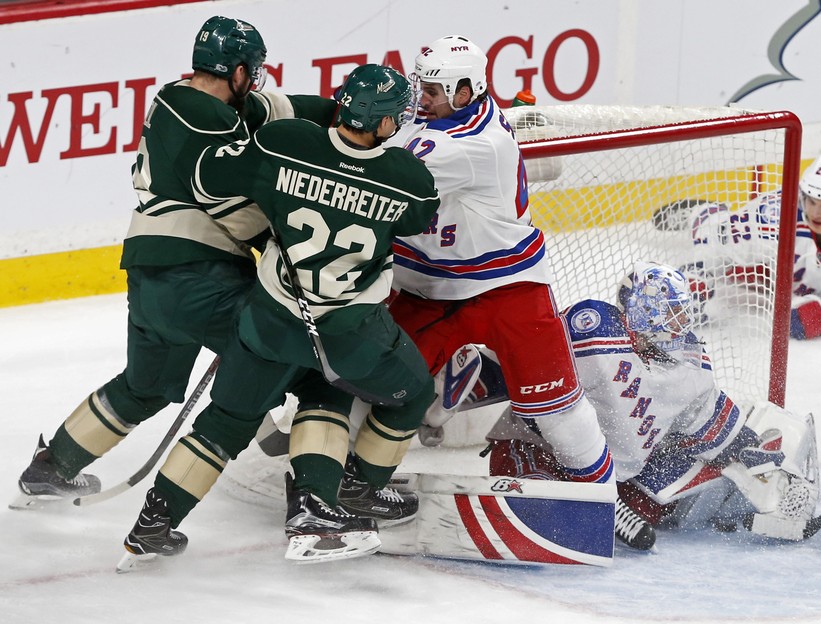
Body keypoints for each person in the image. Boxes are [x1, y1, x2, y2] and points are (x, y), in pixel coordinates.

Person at [117, 64, 440, 569]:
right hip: (346, 332)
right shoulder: (409, 180)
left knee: (224, 423)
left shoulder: (285, 142)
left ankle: (151, 525)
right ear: (381, 122)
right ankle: (351, 494)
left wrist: (273, 202)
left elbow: (210, 177)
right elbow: (419, 218)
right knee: (394, 394)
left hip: (268, 321)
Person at [10, 15, 339, 511]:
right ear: (239, 70)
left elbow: (292, 110)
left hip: (151, 271)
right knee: (295, 365)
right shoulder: (196, 118)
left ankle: (51, 467)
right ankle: (312, 496)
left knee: (144, 387)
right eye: (254, 70)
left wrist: (346, 115)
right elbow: (239, 207)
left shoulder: (202, 101)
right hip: (199, 273)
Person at [388, 35, 614, 490]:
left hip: (507, 288)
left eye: (432, 93)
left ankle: (601, 491)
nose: (422, 101)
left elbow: (382, 176)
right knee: (378, 387)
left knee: (559, 408)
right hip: (427, 288)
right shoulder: (452, 114)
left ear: (466, 92)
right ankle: (345, 477)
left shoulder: (468, 146)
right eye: (422, 89)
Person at [480, 261, 820, 549]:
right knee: (545, 488)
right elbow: (528, 355)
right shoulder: (596, 327)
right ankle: (586, 504)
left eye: (681, 312)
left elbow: (707, 418)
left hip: (615, 474)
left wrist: (747, 448)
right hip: (538, 447)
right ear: (644, 310)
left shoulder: (689, 362)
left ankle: (605, 501)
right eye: (671, 312)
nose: (681, 322)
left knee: (658, 501)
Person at [654, 149, 821, 341]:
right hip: (777, 263)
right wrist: (694, 279)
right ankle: (702, 213)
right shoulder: (775, 215)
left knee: (802, 318)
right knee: (732, 261)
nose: (815, 213)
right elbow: (717, 243)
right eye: (811, 201)